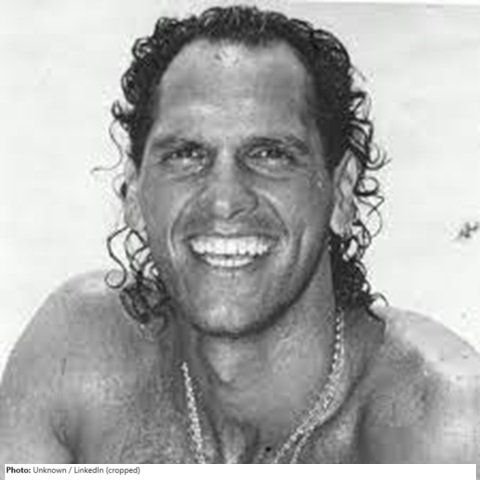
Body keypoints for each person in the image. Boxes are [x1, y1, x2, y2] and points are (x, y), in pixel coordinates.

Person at [0, 5, 479, 465]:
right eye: (186, 154)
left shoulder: (444, 422)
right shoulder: (78, 356)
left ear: (342, 192)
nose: (224, 200)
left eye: (269, 154)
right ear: (134, 194)